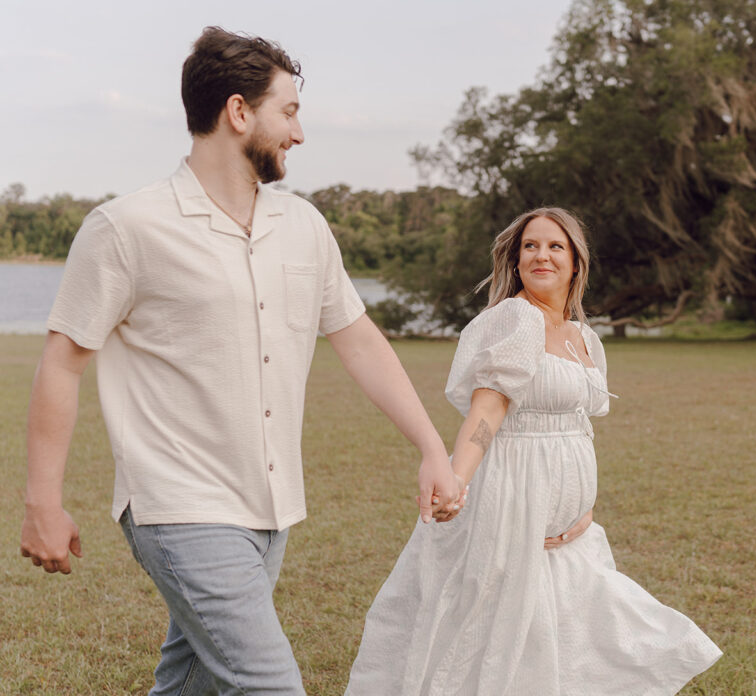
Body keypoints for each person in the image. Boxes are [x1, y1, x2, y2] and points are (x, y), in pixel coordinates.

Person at [19, 27, 462, 695]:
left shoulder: (304, 226)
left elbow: (359, 338)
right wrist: (41, 502)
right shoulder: (126, 228)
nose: (300, 132)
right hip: (178, 504)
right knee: (268, 684)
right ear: (238, 112)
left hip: (270, 506)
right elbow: (63, 362)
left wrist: (431, 445)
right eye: (289, 111)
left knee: (192, 683)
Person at [345, 208, 722, 695]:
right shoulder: (516, 319)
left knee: (567, 633)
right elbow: (489, 408)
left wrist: (583, 506)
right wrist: (457, 477)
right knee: (491, 630)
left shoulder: (582, 337)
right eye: (530, 246)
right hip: (510, 501)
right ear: (516, 260)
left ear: (576, 262)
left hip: (571, 527)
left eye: (554, 246)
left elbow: (575, 428)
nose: (541, 254)